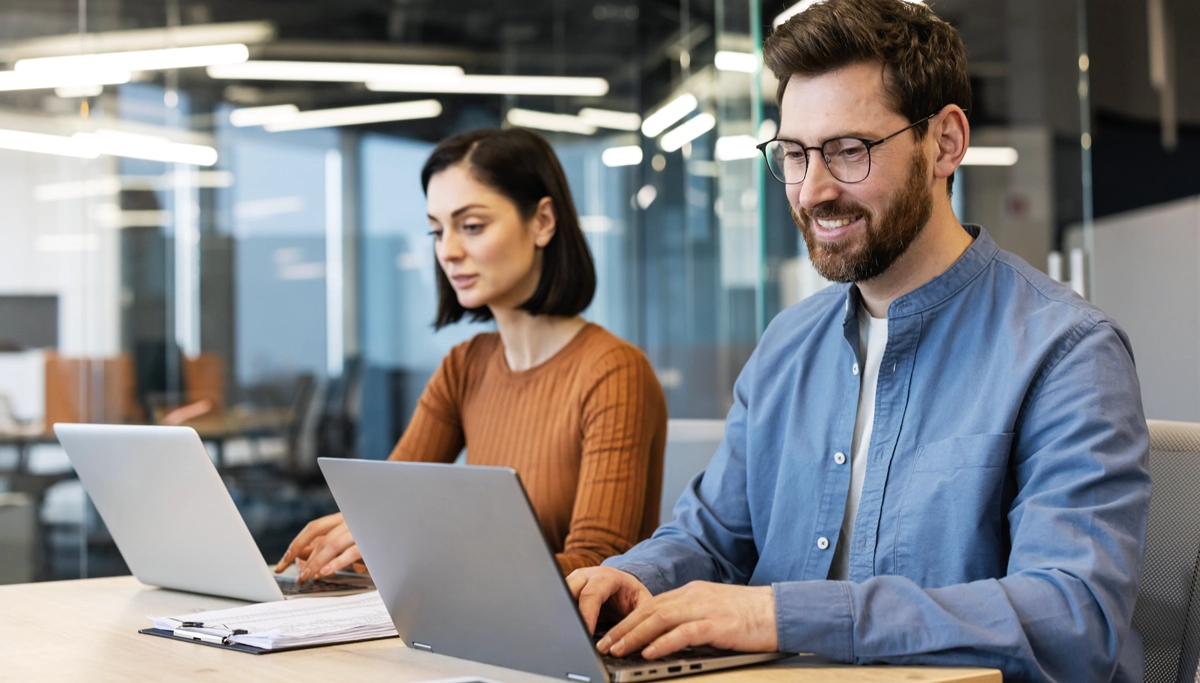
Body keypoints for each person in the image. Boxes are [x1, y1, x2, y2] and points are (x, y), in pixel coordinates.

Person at [567, 1, 1151, 680]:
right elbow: (710, 537)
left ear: (946, 143)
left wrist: (782, 614)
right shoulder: (787, 345)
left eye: (848, 150)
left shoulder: (1067, 352)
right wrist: (632, 578)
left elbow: (1072, 617)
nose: (813, 190)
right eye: (792, 154)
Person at [276, 127, 667, 581]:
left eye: (472, 226)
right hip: (475, 629)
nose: (449, 251)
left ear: (543, 221)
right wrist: (360, 539)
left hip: (569, 642)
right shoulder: (465, 366)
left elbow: (597, 567)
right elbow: (385, 508)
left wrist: (426, 549)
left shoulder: (614, 372)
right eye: (437, 231)